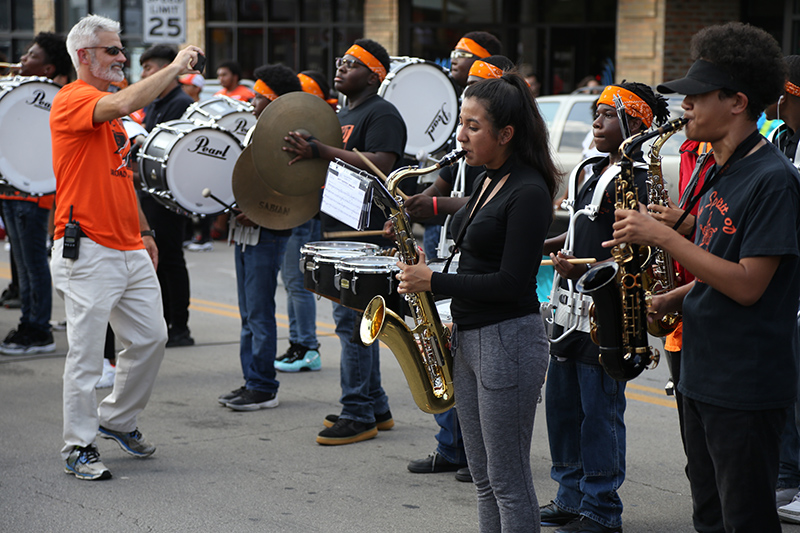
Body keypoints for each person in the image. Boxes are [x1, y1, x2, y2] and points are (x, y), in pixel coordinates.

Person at [607, 22, 798, 532]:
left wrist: (664, 236)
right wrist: (675, 295)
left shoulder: (774, 179)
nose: (684, 106)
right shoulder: (720, 169)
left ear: (736, 102)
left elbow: (748, 283)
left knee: (746, 519)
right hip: (703, 372)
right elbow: (722, 256)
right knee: (709, 516)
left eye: (695, 96)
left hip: (745, 381)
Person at [395, 72, 558, 532]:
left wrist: (435, 281)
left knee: (507, 480)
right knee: (484, 478)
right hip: (472, 335)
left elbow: (511, 282)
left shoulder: (527, 190)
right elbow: (475, 258)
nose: (460, 136)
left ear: (506, 134)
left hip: (508, 341)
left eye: (472, 126)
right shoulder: (490, 179)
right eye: (461, 124)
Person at [50, 14, 202, 480]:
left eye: (120, 49)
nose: (121, 57)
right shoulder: (75, 98)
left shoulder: (111, 113)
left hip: (128, 246)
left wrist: (147, 234)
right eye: (113, 50)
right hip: (88, 247)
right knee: (86, 354)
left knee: (152, 338)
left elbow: (123, 179)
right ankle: (78, 444)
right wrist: (175, 67)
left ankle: (115, 419)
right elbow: (123, 102)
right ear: (84, 56)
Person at [540, 82, 669, 533]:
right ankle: (569, 494)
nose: (596, 121)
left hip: (607, 311)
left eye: (607, 114)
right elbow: (580, 227)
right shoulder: (590, 167)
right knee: (562, 406)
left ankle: (600, 508)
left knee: (599, 412)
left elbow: (638, 252)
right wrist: (553, 246)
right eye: (594, 113)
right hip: (567, 308)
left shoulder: (635, 179)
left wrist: (585, 269)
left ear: (634, 123)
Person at [283, 38, 406, 445]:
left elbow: (382, 165)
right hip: (337, 228)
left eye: (351, 64)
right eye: (340, 61)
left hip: (367, 232)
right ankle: (375, 404)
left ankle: (357, 412)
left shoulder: (382, 112)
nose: (340, 68)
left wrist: (320, 150)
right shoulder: (343, 112)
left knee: (353, 324)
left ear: (374, 75)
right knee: (352, 320)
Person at [400, 55, 512, 481]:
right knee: (445, 353)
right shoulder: (464, 149)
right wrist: (415, 201)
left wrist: (433, 206)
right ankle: (451, 446)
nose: (462, 133)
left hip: (485, 281)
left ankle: (477, 453)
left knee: (483, 376)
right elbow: (439, 186)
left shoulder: (509, 172)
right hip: (451, 253)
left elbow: (489, 208)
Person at [216, 64, 301, 410]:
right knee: (248, 312)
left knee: (259, 311)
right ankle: (252, 379)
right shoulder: (258, 129)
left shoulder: (288, 136)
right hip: (247, 231)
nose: (252, 104)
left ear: (275, 100)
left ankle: (264, 386)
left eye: (259, 98)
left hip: (266, 233)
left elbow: (292, 190)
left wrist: (257, 210)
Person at [0, 32, 70, 355]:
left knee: (34, 263)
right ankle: (29, 322)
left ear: (47, 69)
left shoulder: (55, 97)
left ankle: (39, 329)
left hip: (34, 193)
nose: (23, 59)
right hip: (11, 189)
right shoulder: (18, 93)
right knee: (23, 263)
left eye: (32, 56)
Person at [273, 70, 334, 373]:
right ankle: (298, 343)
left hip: (308, 211)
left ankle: (307, 347)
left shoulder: (317, 126)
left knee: (298, 284)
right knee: (292, 283)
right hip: (297, 210)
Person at [137, 44, 196, 348]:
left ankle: (180, 327)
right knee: (159, 259)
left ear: (163, 70)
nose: (143, 74)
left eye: (147, 68)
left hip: (168, 195)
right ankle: (163, 320)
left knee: (171, 258)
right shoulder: (157, 101)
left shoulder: (179, 102)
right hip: (152, 191)